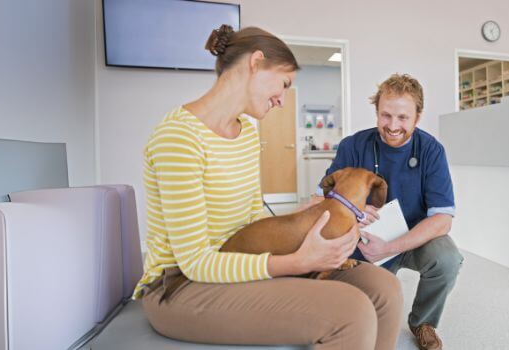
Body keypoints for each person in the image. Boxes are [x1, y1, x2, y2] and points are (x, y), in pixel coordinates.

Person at [133, 24, 403, 349]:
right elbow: (194, 261)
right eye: (285, 84)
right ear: (256, 62)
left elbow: (252, 220)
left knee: (384, 288)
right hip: (181, 286)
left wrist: (305, 220)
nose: (282, 100)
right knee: (352, 312)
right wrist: (299, 262)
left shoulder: (246, 131)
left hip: (239, 259)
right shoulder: (178, 138)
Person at [309, 73, 462, 350]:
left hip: (414, 238)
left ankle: (423, 322)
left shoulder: (431, 151)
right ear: (377, 112)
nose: (392, 126)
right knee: (362, 317)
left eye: (403, 118)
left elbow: (442, 220)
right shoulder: (353, 146)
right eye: (385, 115)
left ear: (418, 116)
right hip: (365, 241)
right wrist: (353, 209)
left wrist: (391, 246)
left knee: (448, 259)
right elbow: (320, 199)